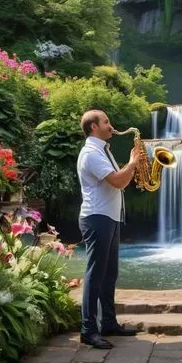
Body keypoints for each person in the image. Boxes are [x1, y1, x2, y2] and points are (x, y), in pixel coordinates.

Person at [77, 109, 141, 349]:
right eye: (105, 121)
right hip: (97, 218)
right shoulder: (91, 154)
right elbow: (118, 181)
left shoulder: (102, 150)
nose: (110, 125)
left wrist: (132, 166)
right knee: (95, 275)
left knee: (109, 273)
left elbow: (118, 182)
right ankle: (88, 330)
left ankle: (108, 323)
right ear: (94, 127)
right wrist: (133, 163)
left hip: (109, 217)